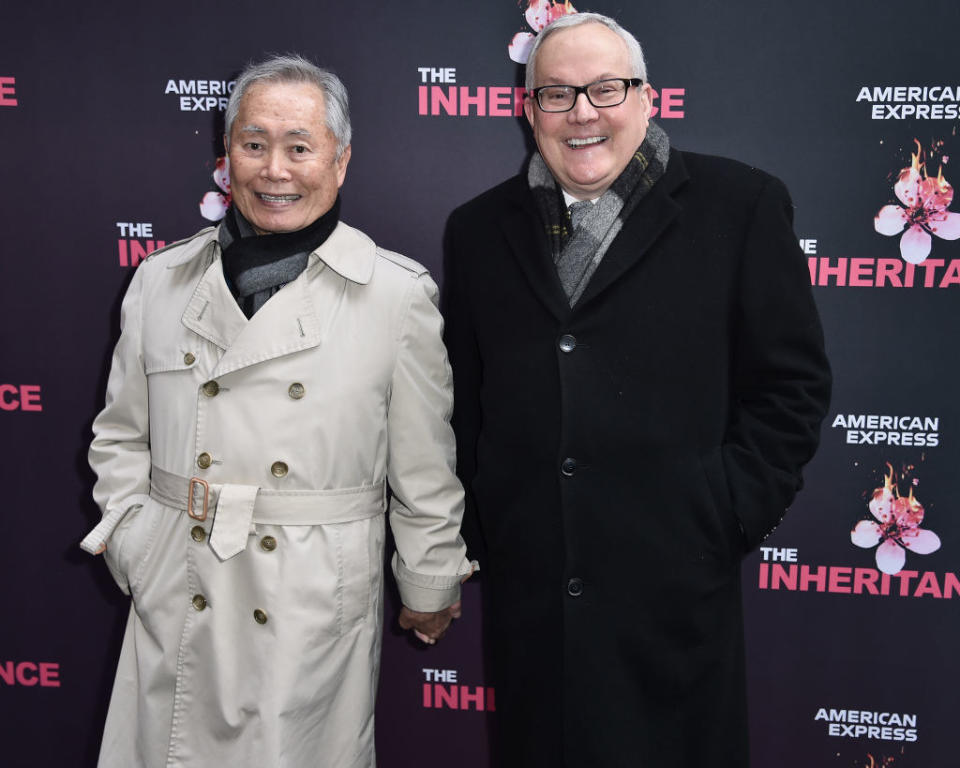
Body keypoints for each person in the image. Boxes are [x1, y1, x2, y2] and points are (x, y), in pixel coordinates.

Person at [443, 12, 831, 768]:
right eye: (556, 94)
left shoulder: (739, 205)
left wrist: (723, 512)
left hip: (674, 598)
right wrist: (491, 532)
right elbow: (464, 398)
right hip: (535, 602)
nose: (582, 112)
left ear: (648, 99)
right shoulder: (478, 229)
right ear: (529, 112)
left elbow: (792, 386)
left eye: (606, 89)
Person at [81, 54, 473, 768]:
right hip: (181, 580)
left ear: (341, 160)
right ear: (225, 156)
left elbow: (422, 463)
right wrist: (136, 541)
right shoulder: (160, 281)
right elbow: (119, 434)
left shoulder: (393, 295)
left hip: (310, 597)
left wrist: (429, 577)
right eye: (253, 144)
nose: (275, 169)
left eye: (300, 146)